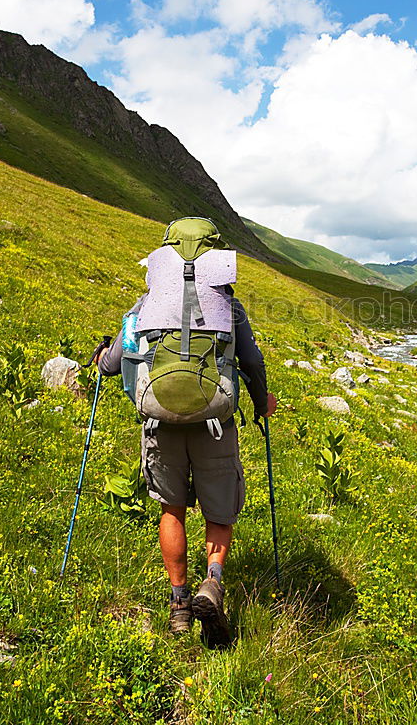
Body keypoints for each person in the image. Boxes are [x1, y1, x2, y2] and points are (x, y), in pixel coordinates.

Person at [96, 234, 276, 648]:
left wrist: (100, 356)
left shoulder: (146, 303)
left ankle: (179, 607)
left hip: (160, 422)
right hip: (215, 421)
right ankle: (211, 584)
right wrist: (261, 400)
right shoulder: (229, 306)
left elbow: (116, 359)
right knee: (220, 512)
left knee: (171, 509)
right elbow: (251, 360)